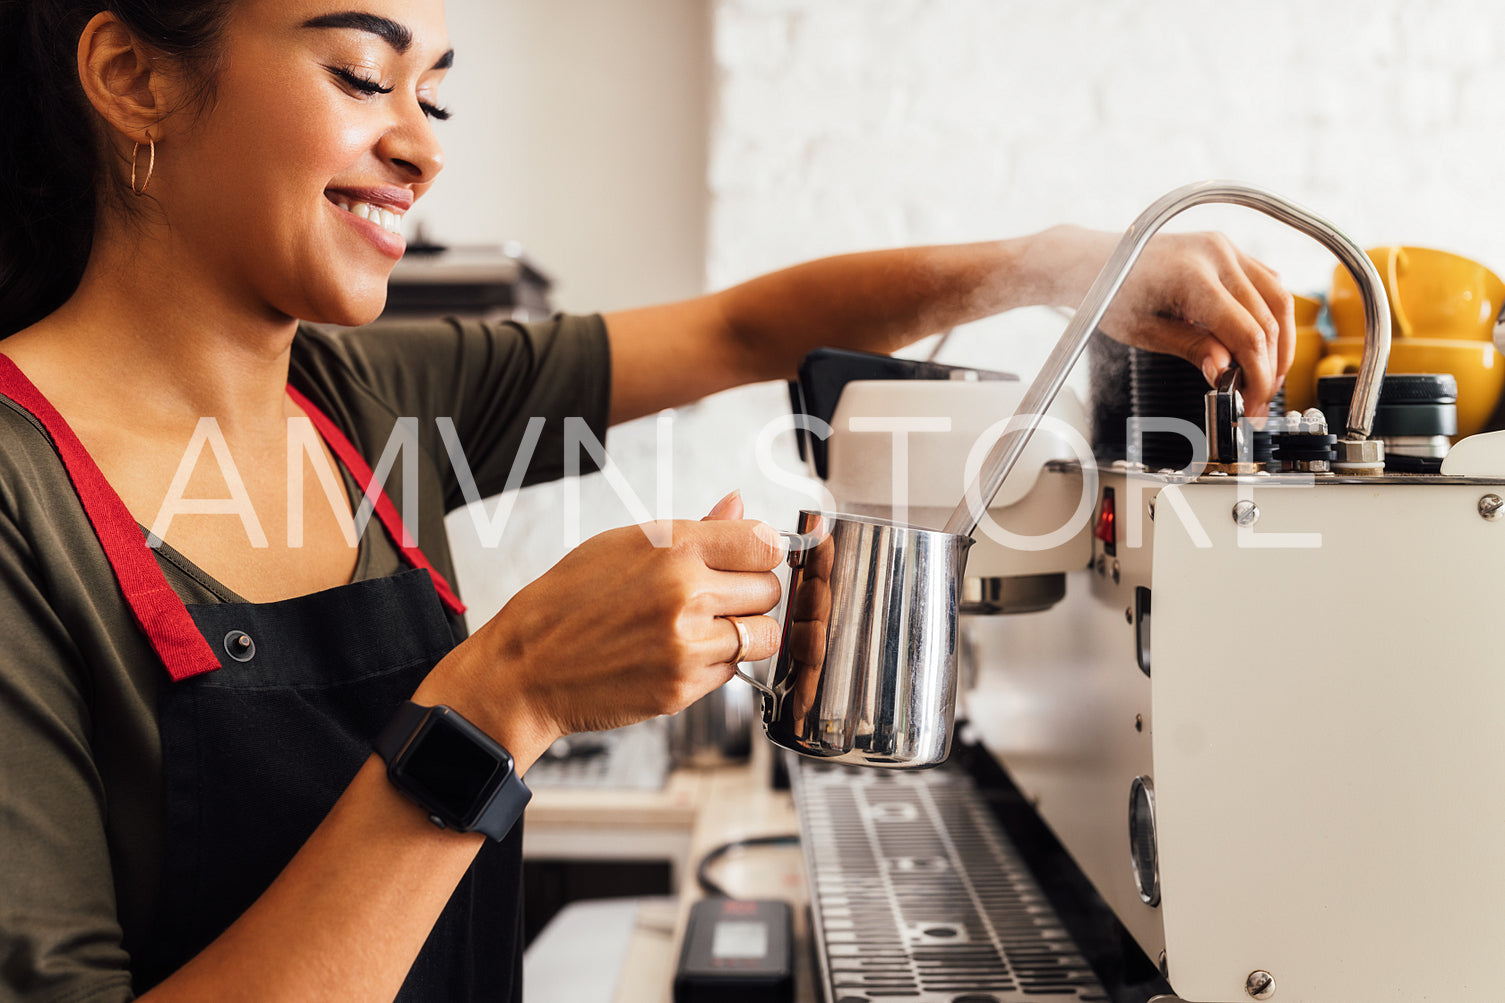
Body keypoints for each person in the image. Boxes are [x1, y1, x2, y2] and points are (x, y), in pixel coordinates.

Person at [0, 0, 1295, 1000]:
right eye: (359, 75)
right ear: (134, 76)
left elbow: (745, 326)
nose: (417, 144)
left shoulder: (360, 396)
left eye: (434, 97)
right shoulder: (22, 497)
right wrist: (500, 695)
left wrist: (1064, 269)